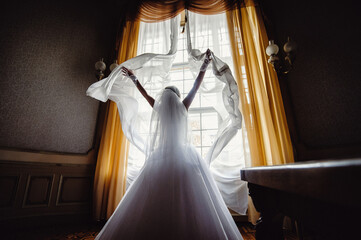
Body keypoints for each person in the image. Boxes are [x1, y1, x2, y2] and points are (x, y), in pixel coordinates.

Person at [94, 49, 243, 240]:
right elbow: (196, 86)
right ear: (177, 96)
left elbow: (145, 93)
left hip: (161, 157)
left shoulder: (158, 108)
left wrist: (134, 78)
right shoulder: (183, 106)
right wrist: (205, 64)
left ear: (164, 99)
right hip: (185, 157)